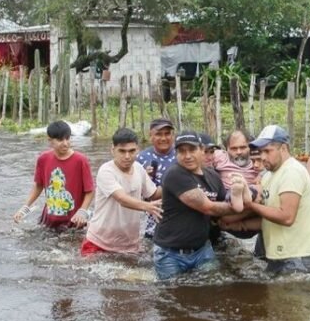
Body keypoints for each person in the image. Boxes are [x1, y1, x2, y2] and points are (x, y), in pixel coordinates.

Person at [152, 131, 242, 280]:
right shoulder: (175, 174)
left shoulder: (213, 176)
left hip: (202, 249)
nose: (187, 156)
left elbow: (221, 210)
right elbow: (208, 207)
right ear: (176, 154)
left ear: (202, 150)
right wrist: (238, 206)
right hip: (170, 253)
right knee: (172, 296)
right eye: (182, 151)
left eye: (192, 150)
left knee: (212, 291)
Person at [238, 125, 310, 274]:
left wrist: (250, 205)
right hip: (283, 254)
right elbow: (266, 215)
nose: (263, 157)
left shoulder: (292, 172)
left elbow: (286, 217)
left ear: (283, 148)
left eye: (267, 151)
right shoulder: (268, 175)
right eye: (260, 152)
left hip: (298, 257)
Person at [81, 128, 163, 256]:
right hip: (99, 242)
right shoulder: (106, 171)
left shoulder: (139, 169)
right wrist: (148, 207)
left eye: (132, 151)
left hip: (130, 245)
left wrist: (175, 184)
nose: (127, 156)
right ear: (112, 150)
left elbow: (153, 194)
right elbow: (122, 199)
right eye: (122, 151)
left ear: (138, 150)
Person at [13, 120, 95, 229]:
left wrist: (82, 211)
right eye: (60, 140)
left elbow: (90, 190)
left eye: (68, 138)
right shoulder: (43, 159)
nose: (65, 143)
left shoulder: (81, 160)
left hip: (74, 223)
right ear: (50, 141)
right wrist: (25, 207)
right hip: (48, 220)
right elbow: (38, 185)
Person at [136, 118, 176, 239]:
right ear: (150, 136)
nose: (163, 138)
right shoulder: (141, 158)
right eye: (159, 134)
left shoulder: (183, 154)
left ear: (173, 135)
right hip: (152, 212)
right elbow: (133, 193)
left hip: (178, 212)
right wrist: (145, 178)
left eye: (167, 134)